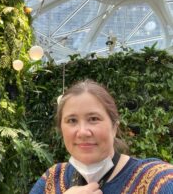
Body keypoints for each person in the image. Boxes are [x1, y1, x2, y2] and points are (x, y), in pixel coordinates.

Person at [30, 79, 173, 194]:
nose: (83, 132)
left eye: (93, 119)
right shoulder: (52, 179)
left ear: (114, 127)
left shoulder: (157, 180)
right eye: (72, 120)